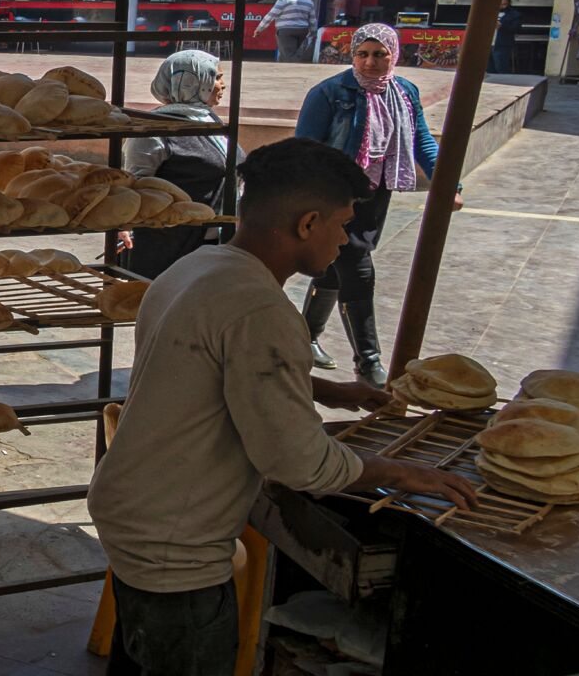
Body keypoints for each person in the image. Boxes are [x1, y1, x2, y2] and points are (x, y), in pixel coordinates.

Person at [87, 138, 477, 676]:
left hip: (130, 503)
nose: (346, 239)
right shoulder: (261, 309)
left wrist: (325, 390)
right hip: (176, 541)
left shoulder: (198, 266)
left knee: (143, 655)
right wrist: (405, 474)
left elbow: (205, 366)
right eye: (341, 224)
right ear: (307, 223)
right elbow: (299, 464)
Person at [295, 22, 461, 388]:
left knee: (333, 269)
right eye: (362, 54)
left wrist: (448, 184)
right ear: (352, 55)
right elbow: (304, 150)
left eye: (379, 54)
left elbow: (422, 141)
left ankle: (303, 340)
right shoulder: (329, 93)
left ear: (393, 55)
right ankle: (368, 362)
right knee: (358, 268)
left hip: (376, 191)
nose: (370, 62)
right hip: (336, 196)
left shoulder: (404, 92)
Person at [117, 50, 245, 279]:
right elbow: (133, 184)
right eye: (216, 77)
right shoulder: (155, 130)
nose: (223, 85)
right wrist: (123, 226)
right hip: (169, 248)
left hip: (215, 242)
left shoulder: (209, 121)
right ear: (190, 81)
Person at [253, 0, 317, 63]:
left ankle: (292, 72)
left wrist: (259, 29)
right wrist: (313, 33)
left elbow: (271, 15)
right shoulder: (308, 1)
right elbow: (313, 20)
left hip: (286, 30)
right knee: (293, 54)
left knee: (288, 55)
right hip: (303, 31)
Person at [489, 0, 522, 74]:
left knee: (501, 68)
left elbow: (516, 28)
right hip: (488, 45)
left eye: (504, 4)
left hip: (502, 45)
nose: (502, 6)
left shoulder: (514, 14)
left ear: (509, 3)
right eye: (500, 4)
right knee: (489, 69)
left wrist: (502, 26)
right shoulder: (490, 12)